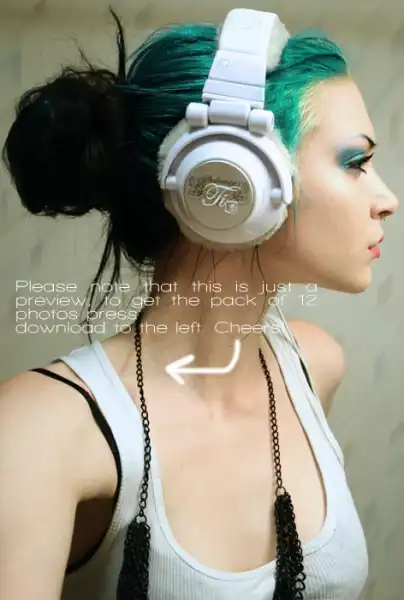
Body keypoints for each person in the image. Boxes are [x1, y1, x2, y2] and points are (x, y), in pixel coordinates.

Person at [0, 7, 398, 600]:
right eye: (355, 163)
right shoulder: (39, 427)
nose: (387, 199)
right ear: (231, 179)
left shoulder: (315, 366)